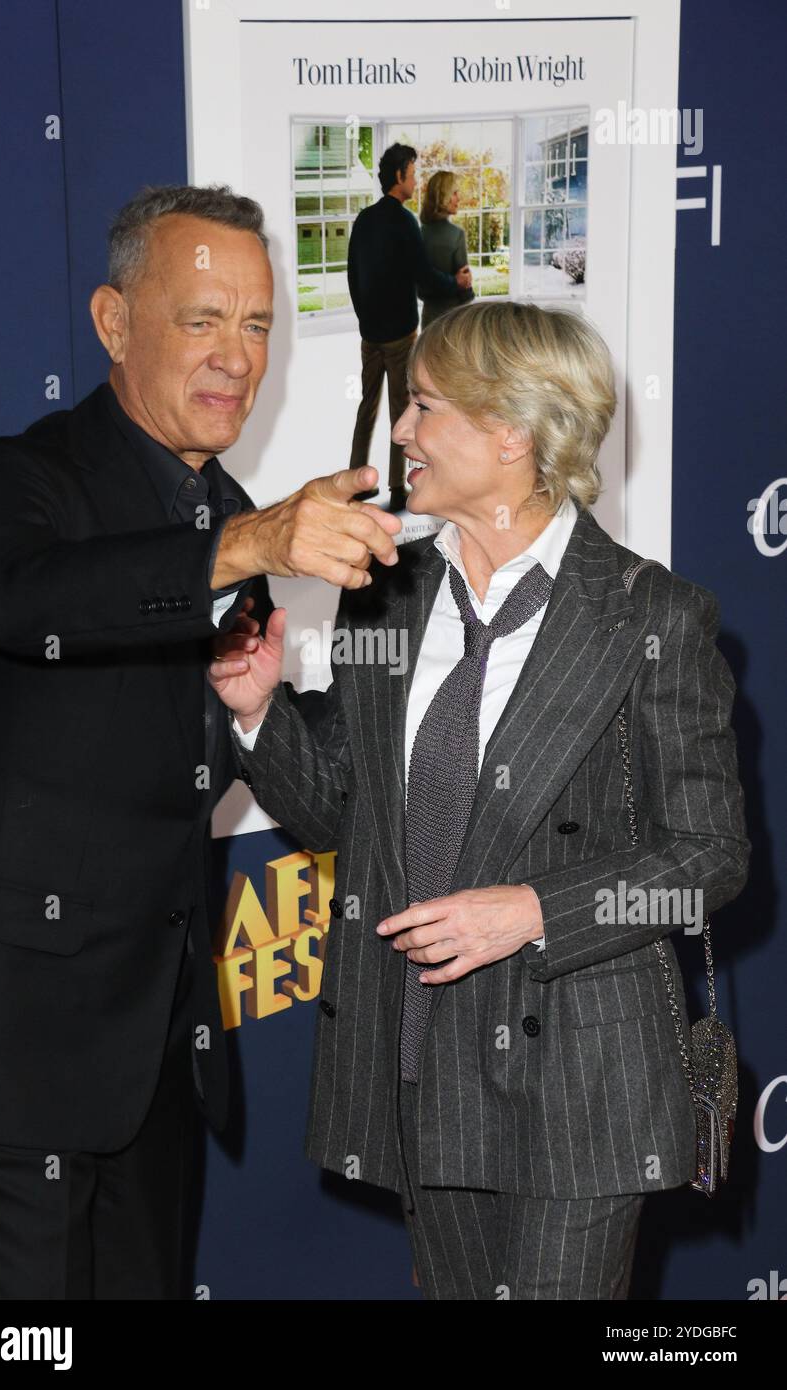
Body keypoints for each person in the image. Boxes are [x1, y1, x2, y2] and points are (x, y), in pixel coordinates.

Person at [209, 299, 750, 1301]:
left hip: (579, 1077)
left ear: (511, 430)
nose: (400, 431)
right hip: (424, 1058)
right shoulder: (385, 589)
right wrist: (257, 712)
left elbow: (707, 855)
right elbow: (340, 815)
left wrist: (534, 911)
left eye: (422, 405)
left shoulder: (651, 615)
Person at [0, 183, 401, 1300]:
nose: (236, 357)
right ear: (112, 321)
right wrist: (242, 547)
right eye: (201, 319)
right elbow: (26, 600)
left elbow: (326, 808)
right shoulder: (16, 478)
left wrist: (254, 706)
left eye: (257, 324)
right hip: (13, 1056)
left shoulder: (226, 514)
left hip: (158, 1065)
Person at [347, 143, 471, 513]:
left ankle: (356, 480)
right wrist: (457, 285)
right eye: (413, 174)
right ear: (399, 175)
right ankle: (398, 488)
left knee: (366, 407)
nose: (416, 181)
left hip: (370, 334)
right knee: (401, 410)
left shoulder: (364, 220)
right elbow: (424, 278)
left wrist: (364, 319)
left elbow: (352, 276)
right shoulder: (404, 222)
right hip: (400, 334)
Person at [419, 170, 475, 330]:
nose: (459, 198)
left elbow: (419, 286)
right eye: (454, 193)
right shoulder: (456, 234)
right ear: (443, 197)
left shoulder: (419, 234)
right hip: (454, 319)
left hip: (428, 318)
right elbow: (465, 289)